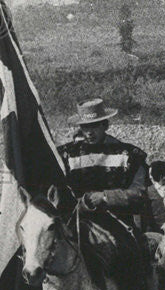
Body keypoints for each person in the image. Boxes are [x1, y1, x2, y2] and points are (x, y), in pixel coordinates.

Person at [58, 99, 149, 233]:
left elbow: (139, 194)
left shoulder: (129, 155)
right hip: (76, 225)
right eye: (85, 127)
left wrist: (106, 197)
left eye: (94, 126)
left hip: (118, 227)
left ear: (105, 125)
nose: (89, 132)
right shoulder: (66, 155)